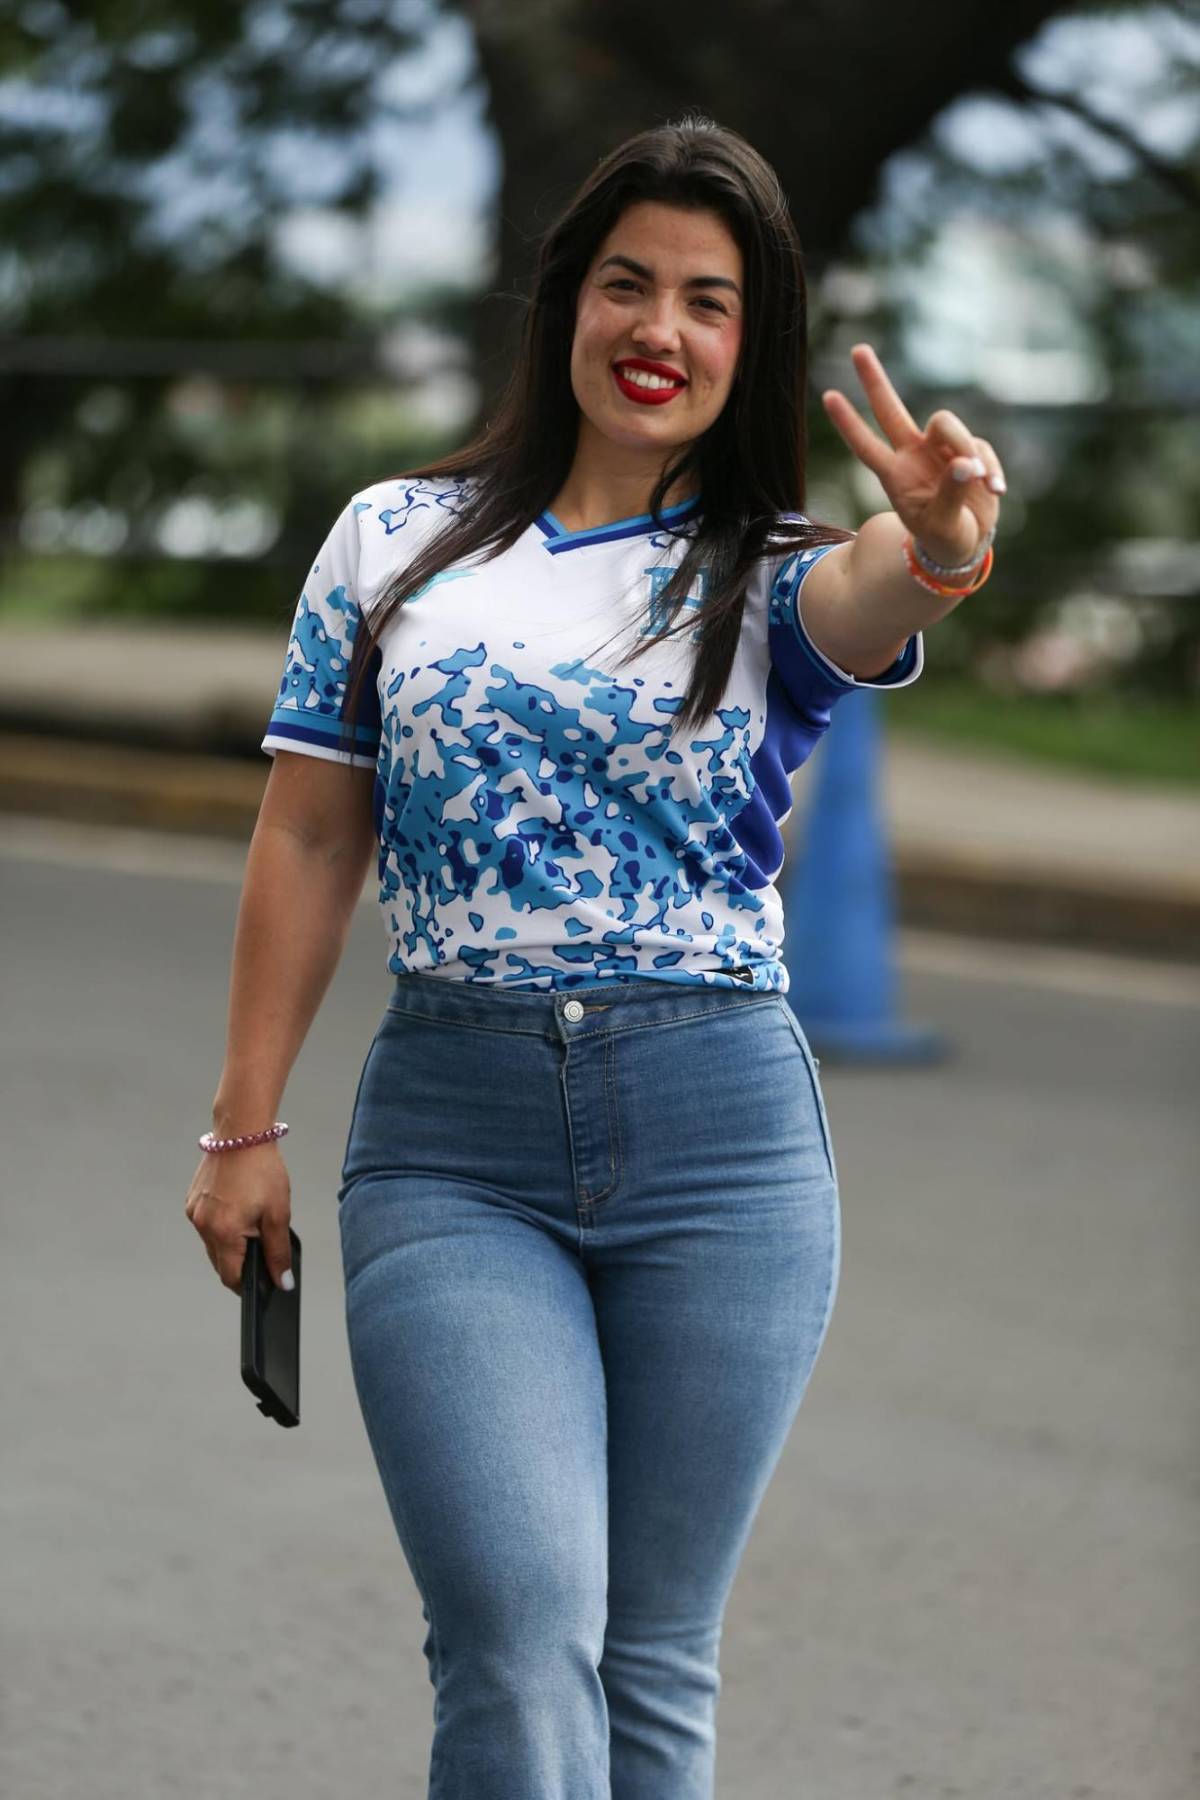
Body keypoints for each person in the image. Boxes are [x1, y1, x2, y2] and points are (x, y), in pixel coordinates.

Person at [185, 113, 1004, 1799]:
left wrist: (935, 544)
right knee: (517, 1631)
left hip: (723, 1143)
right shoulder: (395, 542)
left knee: (651, 1665)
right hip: (451, 1143)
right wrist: (243, 1122)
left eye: (709, 301)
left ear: (748, 339)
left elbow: (877, 598)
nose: (661, 330)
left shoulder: (773, 574)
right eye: (628, 285)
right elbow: (311, 831)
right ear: (566, 304)